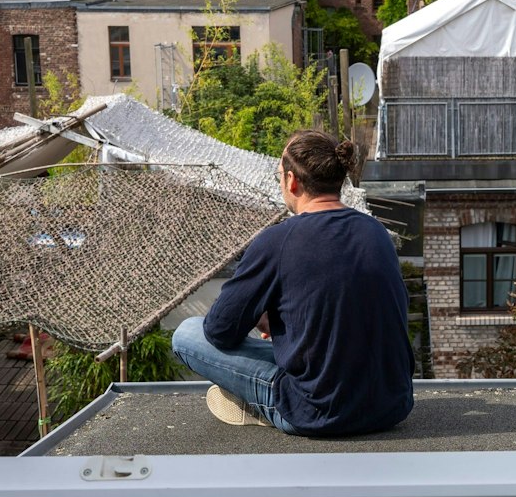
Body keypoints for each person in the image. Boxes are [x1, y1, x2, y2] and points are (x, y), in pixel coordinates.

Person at [171, 130, 414, 435]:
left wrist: (261, 316)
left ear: (291, 180)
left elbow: (219, 331)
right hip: (391, 406)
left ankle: (264, 405)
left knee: (187, 334)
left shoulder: (277, 240)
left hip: (318, 412)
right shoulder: (376, 233)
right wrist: (284, 321)